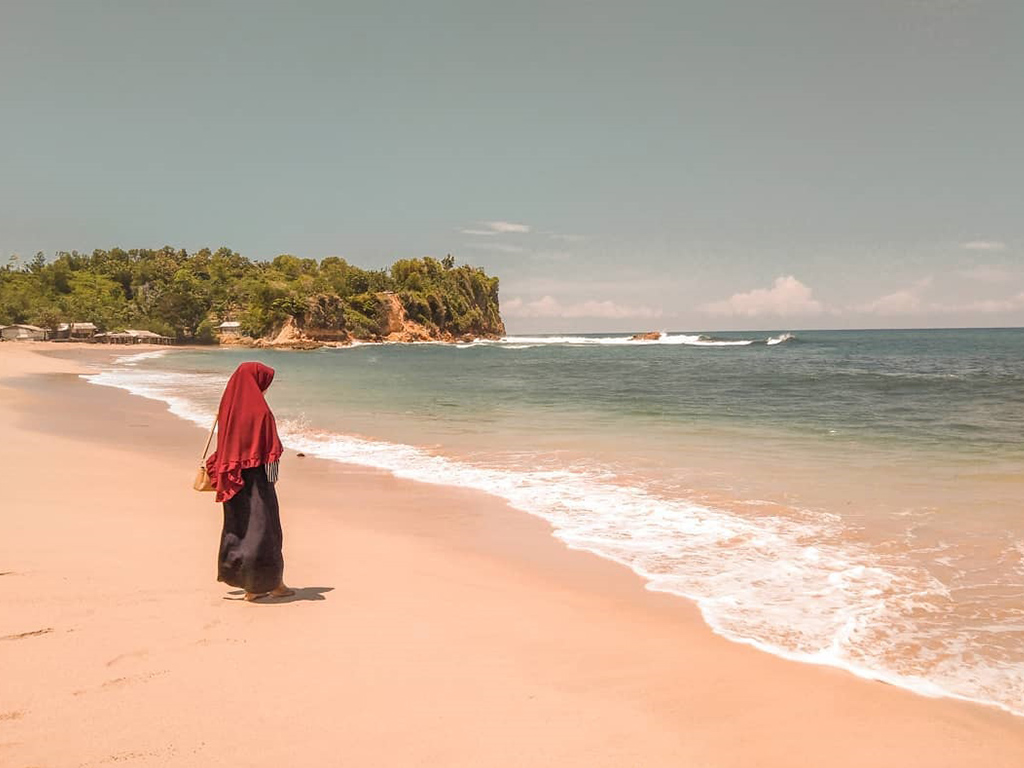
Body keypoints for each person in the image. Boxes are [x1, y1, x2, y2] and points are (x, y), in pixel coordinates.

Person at [206, 362, 294, 601]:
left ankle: (248, 584)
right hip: (258, 483)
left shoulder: (229, 407)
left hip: (232, 481)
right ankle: (269, 586)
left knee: (239, 530)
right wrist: (272, 484)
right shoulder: (261, 412)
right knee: (265, 532)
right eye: (264, 384)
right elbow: (271, 452)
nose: (265, 389)